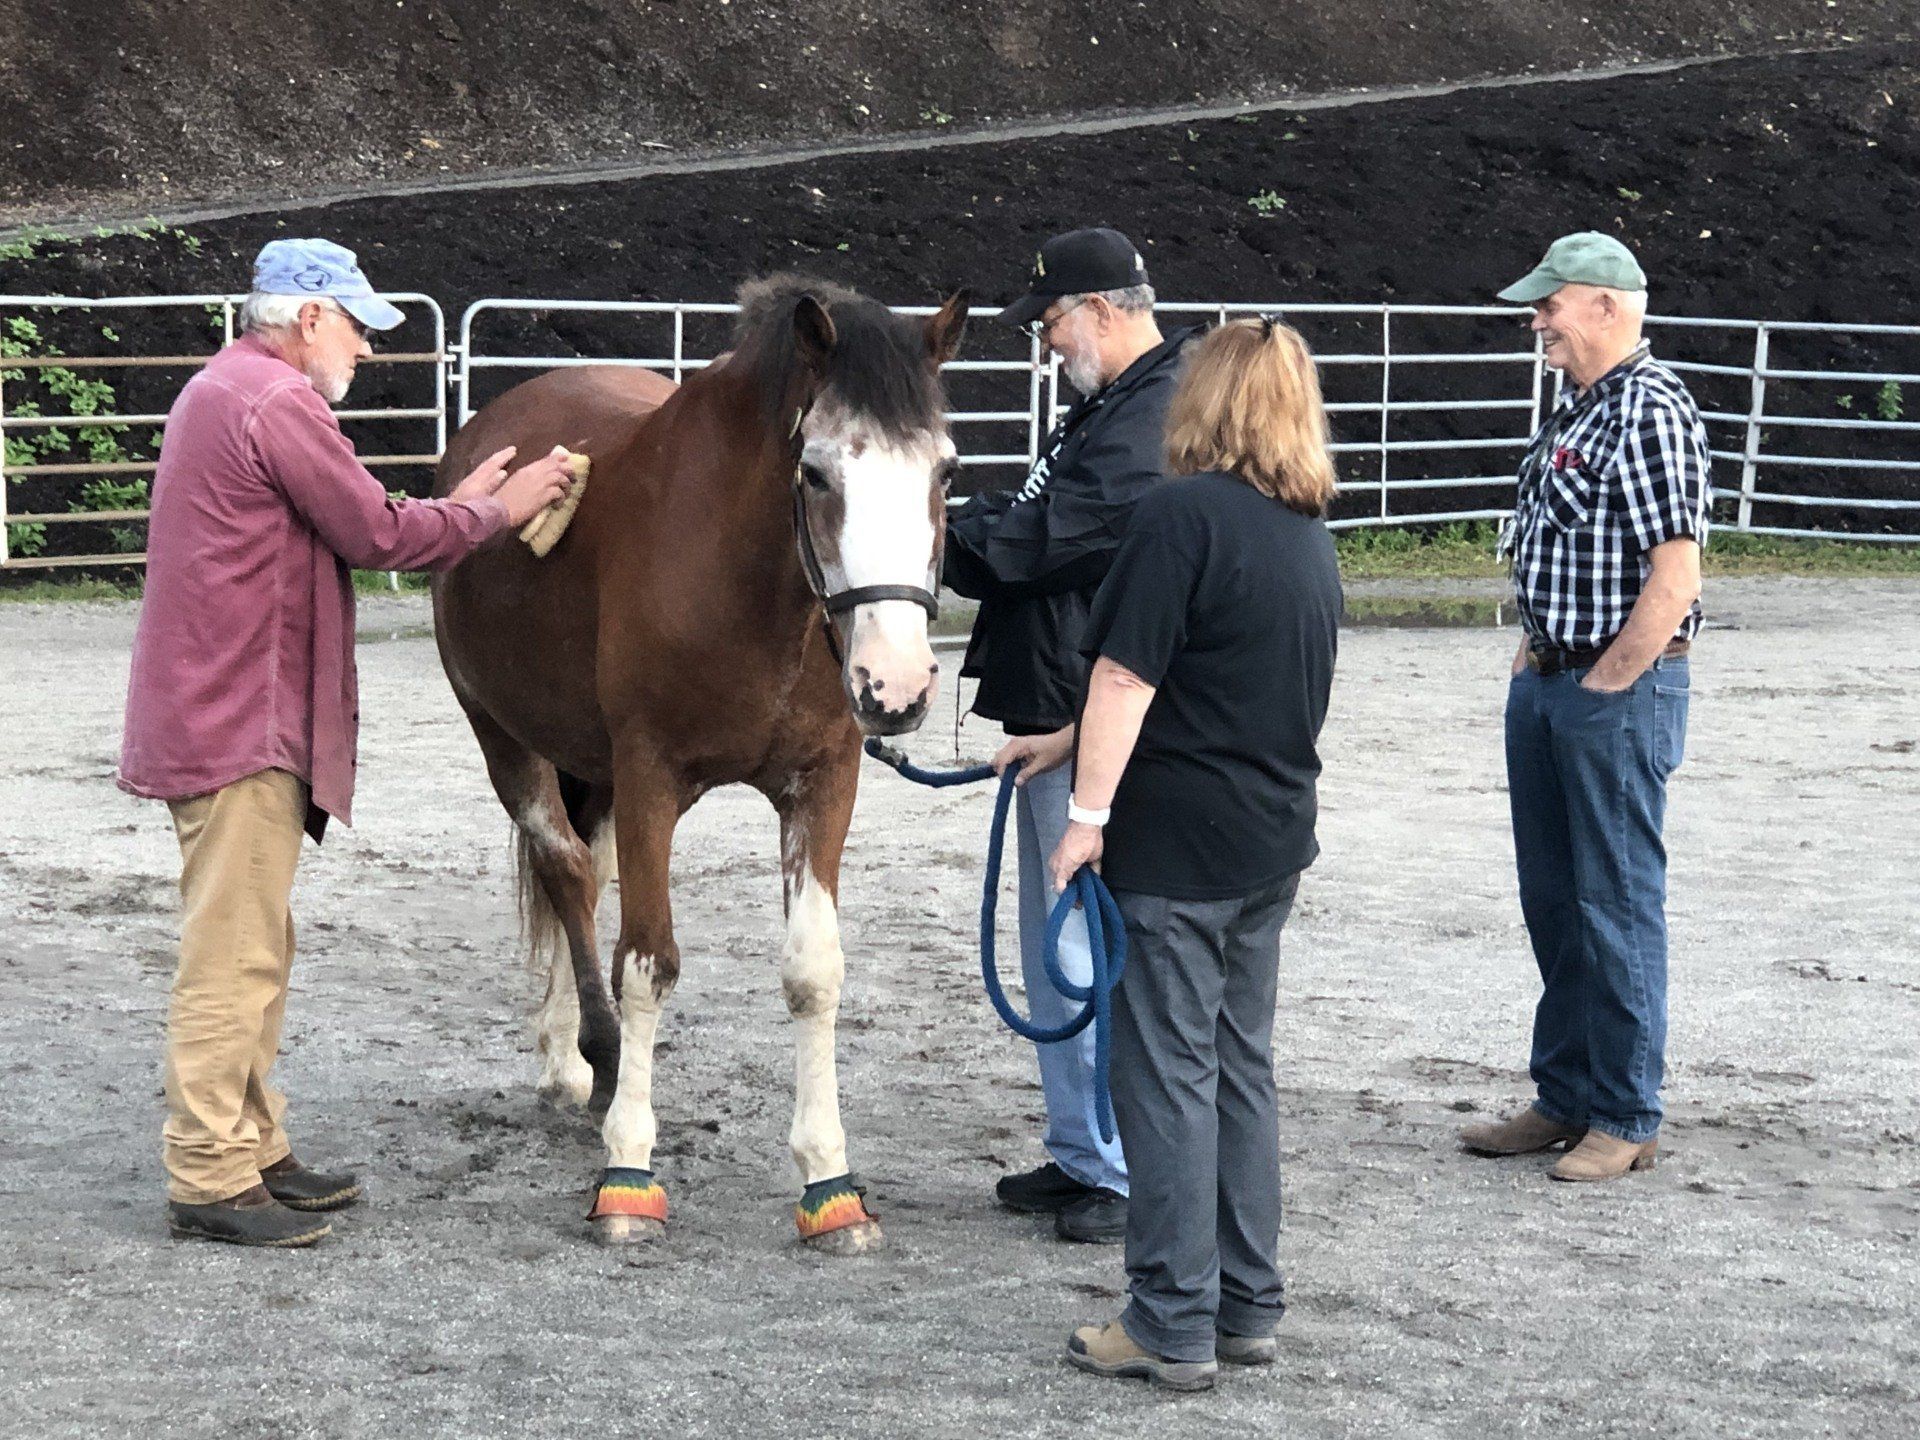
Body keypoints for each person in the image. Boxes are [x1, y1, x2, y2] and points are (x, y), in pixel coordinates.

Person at [118, 238, 574, 1247]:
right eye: (360, 325)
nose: (367, 348)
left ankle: (252, 1145)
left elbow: (358, 520)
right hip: (242, 718)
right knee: (232, 954)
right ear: (311, 318)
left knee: (255, 945)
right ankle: (208, 1173)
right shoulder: (278, 404)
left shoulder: (226, 391)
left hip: (228, 711)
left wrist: (469, 505)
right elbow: (374, 534)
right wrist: (498, 510)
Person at [1027, 316, 1342, 1390]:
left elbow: (1126, 677)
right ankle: (1247, 1302)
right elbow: (1206, 674)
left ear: (1200, 402)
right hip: (1268, 842)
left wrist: (1086, 816)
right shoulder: (1302, 528)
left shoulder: (1178, 517)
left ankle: (1169, 1319)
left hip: (1179, 851)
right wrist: (1067, 739)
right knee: (1239, 1071)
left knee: (1163, 1077)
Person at [946, 227, 1199, 1244]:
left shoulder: (1149, 420)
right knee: (1060, 948)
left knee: (1081, 945)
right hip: (1056, 704)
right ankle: (1084, 1148)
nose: (1046, 342)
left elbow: (1049, 541)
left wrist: (923, 528)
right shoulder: (1116, 407)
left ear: (1101, 309)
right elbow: (1041, 510)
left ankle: (1120, 1166)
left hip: (1086, 711)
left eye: (1049, 321)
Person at [1459, 232, 1710, 1182]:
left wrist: (1609, 679)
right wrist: (1538, 658)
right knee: (1557, 901)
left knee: (1612, 903)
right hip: (1554, 682)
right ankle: (1565, 1095)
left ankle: (1625, 1113)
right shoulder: (1585, 409)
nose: (1538, 321)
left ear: (1606, 306)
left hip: (1610, 693)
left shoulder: (1648, 409)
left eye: (1550, 303)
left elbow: (1674, 572)